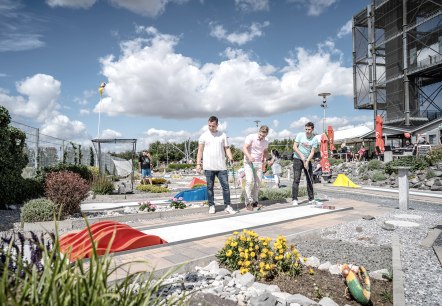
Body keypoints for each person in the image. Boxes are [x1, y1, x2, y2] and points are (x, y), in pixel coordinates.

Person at [196, 116, 237, 215]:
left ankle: (227, 206)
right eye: (209, 125)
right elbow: (200, 150)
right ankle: (211, 206)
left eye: (213, 126)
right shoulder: (203, 136)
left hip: (221, 166)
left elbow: (227, 148)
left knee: (226, 187)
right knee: (209, 187)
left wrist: (231, 158)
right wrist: (198, 164)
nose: (211, 127)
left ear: (217, 125)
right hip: (208, 166)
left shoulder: (222, 135)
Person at [242, 125, 269, 211]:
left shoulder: (266, 141)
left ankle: (255, 201)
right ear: (259, 132)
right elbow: (244, 148)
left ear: (266, 135)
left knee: (258, 183)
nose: (261, 137)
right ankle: (247, 202)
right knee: (249, 181)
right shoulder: (251, 137)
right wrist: (249, 156)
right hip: (248, 162)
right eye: (260, 135)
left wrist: (265, 160)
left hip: (258, 163)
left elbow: (265, 151)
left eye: (263, 136)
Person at [292, 121, 319, 206]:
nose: (307, 131)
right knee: (296, 179)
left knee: (309, 179)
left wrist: (307, 161)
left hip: (307, 160)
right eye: (306, 129)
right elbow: (294, 147)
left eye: (309, 129)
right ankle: (294, 199)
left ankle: (311, 199)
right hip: (297, 159)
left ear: (312, 129)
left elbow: (312, 152)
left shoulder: (314, 139)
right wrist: (301, 156)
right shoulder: (300, 135)